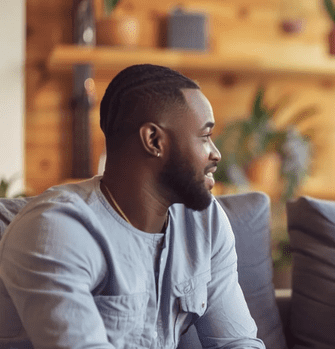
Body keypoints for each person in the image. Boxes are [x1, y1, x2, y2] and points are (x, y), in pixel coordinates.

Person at [0, 64, 265, 348]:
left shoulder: (205, 220)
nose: (216, 153)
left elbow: (238, 342)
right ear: (153, 140)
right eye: (204, 136)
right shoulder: (54, 232)